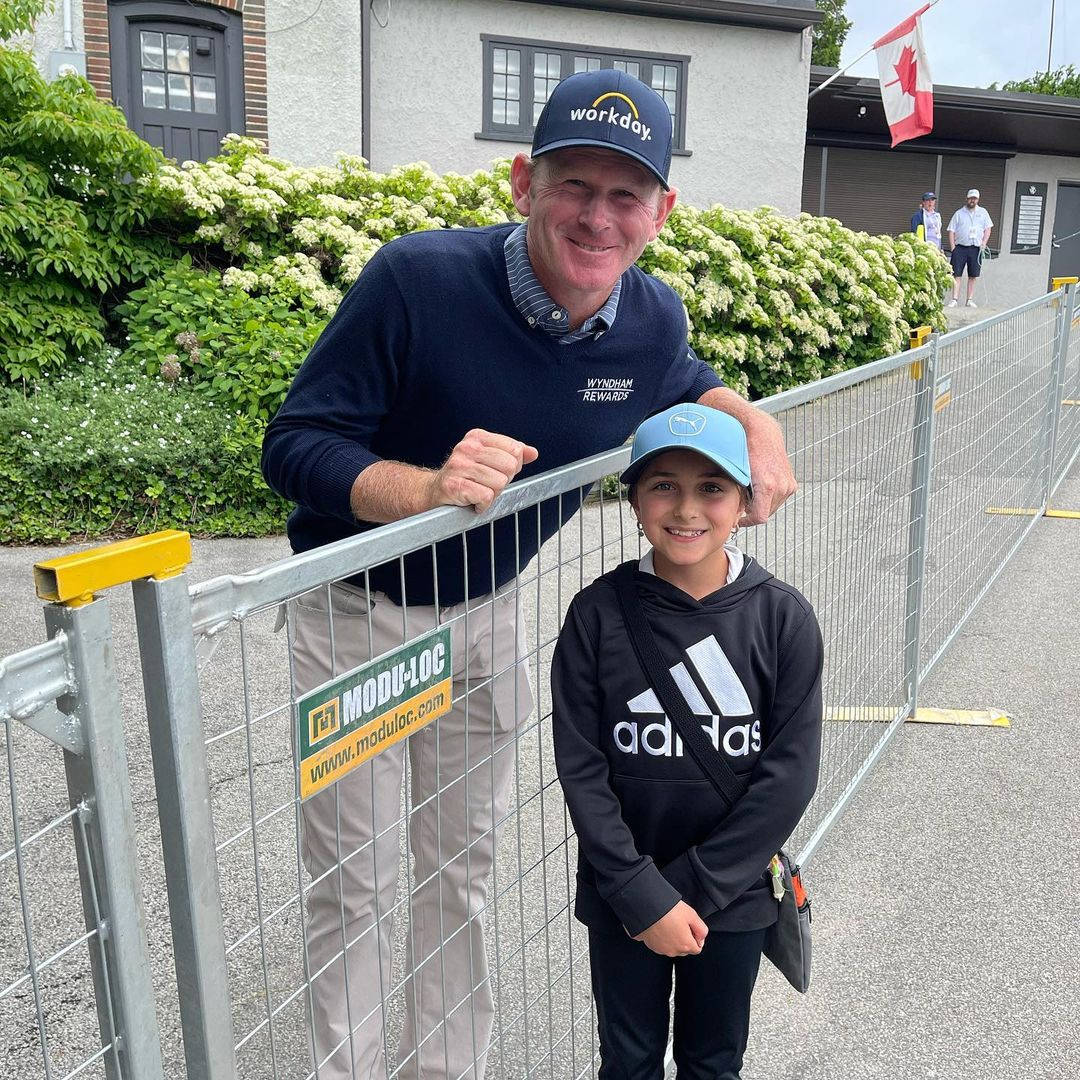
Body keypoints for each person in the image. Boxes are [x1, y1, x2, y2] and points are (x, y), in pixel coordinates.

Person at [262, 68, 796, 1080]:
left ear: (661, 214)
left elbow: (680, 379)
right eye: (574, 186)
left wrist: (755, 419)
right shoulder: (416, 281)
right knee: (359, 882)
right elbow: (295, 444)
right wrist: (423, 488)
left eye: (625, 195)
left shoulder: (651, 318)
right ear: (522, 183)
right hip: (358, 619)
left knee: (460, 872)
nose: (598, 217)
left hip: (490, 614)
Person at [551, 404, 823, 1079]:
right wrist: (644, 895)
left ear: (744, 501)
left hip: (730, 897)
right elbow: (582, 770)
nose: (687, 508)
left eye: (712, 488)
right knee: (630, 1060)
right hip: (625, 895)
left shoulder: (781, 618)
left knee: (712, 1061)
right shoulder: (596, 614)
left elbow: (788, 777)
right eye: (664, 484)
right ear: (635, 498)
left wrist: (697, 890)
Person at [947, 188, 994, 308]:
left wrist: (984, 242)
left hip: (975, 248)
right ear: (967, 199)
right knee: (956, 274)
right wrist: (953, 248)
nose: (972, 200)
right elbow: (951, 230)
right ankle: (954, 299)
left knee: (973, 275)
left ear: (978, 199)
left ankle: (969, 299)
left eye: (975, 198)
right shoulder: (959, 213)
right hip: (960, 247)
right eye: (971, 198)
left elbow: (988, 228)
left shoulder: (983, 212)